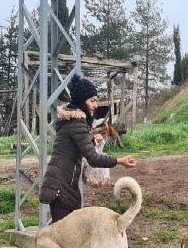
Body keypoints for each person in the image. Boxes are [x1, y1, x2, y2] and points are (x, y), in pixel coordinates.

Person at [39, 74, 137, 223]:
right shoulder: (76, 124)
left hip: (65, 186)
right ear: (81, 101)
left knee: (70, 234)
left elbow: (74, 147)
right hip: (60, 188)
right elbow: (93, 158)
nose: (96, 105)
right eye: (92, 101)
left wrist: (91, 140)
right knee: (66, 237)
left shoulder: (73, 123)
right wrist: (119, 161)